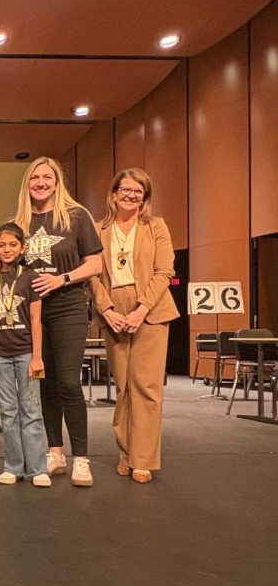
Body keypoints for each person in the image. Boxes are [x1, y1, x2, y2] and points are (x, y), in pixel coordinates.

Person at [13, 157, 103, 487]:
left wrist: (61, 279)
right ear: (28, 183)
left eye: (46, 177)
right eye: (34, 177)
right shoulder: (19, 223)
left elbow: (94, 264)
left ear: (56, 181)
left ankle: (82, 457)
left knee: (67, 382)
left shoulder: (77, 216)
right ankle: (55, 451)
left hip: (68, 307)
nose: (40, 182)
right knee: (44, 383)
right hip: (33, 313)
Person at [89, 168, 178, 484]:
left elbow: (165, 271)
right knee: (124, 386)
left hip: (151, 311)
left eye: (138, 191)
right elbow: (92, 275)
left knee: (147, 388)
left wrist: (141, 309)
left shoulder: (156, 227)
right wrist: (107, 309)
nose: (130, 195)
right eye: (125, 189)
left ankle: (143, 459)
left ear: (145, 197)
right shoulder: (98, 228)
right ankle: (126, 453)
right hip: (114, 312)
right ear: (113, 194)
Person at [0, 223, 51, 487]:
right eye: (1, 245)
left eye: (12, 244)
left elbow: (35, 318)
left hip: (26, 353)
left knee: (31, 410)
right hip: (0, 355)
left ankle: (37, 468)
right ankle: (13, 466)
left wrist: (37, 356)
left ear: (22, 248)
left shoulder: (30, 278)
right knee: (8, 412)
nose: (7, 249)